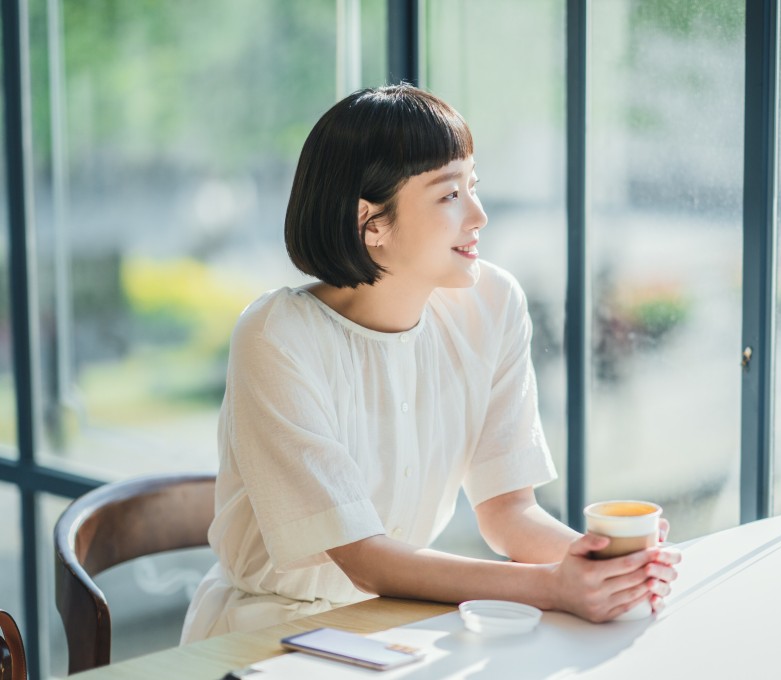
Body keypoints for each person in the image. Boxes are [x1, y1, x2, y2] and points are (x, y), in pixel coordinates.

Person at [181, 84, 679, 643]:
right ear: (372, 222)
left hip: (398, 621)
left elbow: (509, 511)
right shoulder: (277, 336)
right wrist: (553, 587)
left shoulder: (492, 305)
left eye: (474, 186)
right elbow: (364, 559)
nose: (479, 215)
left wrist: (609, 566)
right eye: (449, 195)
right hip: (268, 635)